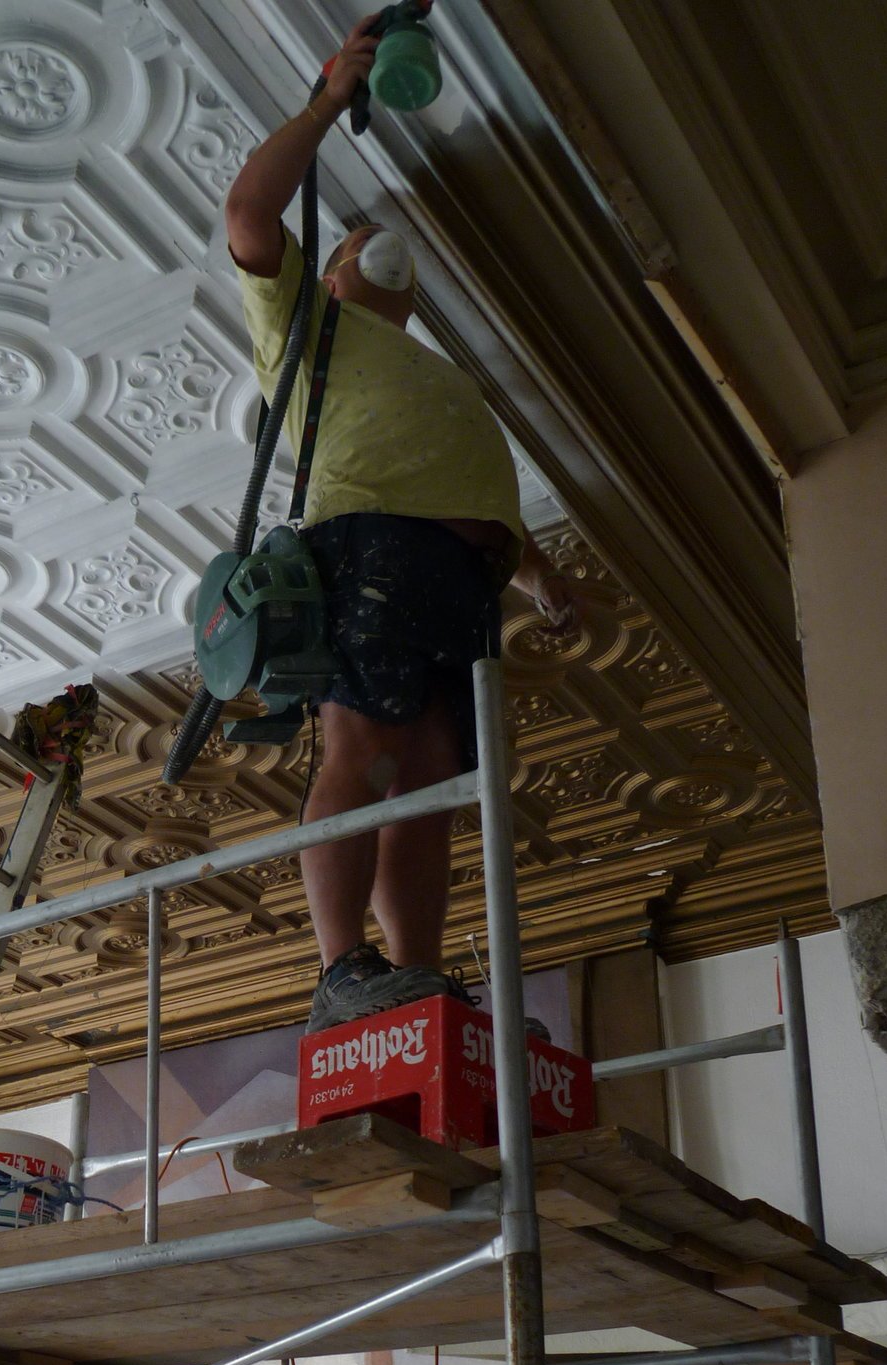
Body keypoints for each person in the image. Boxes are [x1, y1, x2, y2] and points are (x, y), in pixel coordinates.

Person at [225, 12, 582, 1033]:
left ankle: (412, 975)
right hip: (368, 547)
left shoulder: (430, 367)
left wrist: (537, 574)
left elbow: (465, 488)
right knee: (367, 747)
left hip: (456, 573)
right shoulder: (311, 330)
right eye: (352, 244)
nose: (379, 253)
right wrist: (328, 102)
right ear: (332, 272)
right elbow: (252, 212)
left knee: (426, 775)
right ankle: (343, 967)